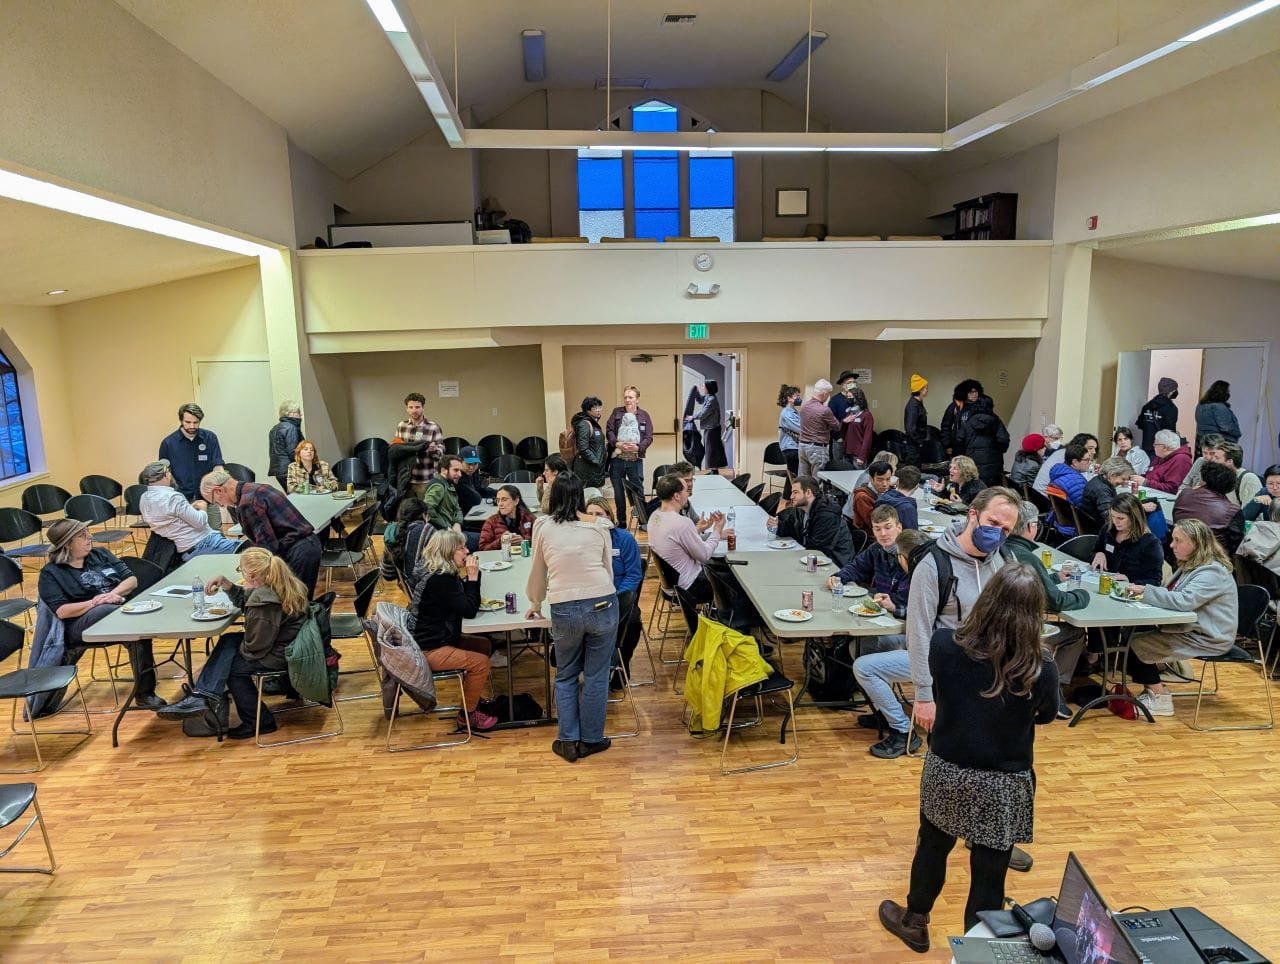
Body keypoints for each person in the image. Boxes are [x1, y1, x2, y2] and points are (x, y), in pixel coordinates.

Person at [877, 564, 1058, 952]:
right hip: (1003, 782)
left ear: (987, 600)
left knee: (932, 846)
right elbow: (1044, 715)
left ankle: (914, 920)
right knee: (990, 874)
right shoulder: (1042, 669)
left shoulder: (944, 645)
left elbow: (941, 690)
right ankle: (977, 953)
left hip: (948, 770)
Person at [853, 486, 1021, 762]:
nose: (998, 533)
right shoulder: (933, 566)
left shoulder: (1005, 562)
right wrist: (922, 696)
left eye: (1006, 529)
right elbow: (917, 633)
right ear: (972, 515)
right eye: (993, 523)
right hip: (948, 685)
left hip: (991, 688)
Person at [156, 548, 314, 739]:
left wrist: (228, 659)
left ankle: (259, 722)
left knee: (232, 669)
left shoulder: (264, 602)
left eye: (241, 571)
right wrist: (226, 583)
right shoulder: (280, 584)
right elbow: (245, 602)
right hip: (290, 644)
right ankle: (201, 696)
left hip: (282, 653)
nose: (241, 574)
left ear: (253, 575)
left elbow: (255, 647)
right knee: (228, 640)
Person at [525, 474, 619, 763]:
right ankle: (591, 739)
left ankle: (568, 740)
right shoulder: (599, 525)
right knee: (596, 675)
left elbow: (538, 571)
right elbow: (607, 569)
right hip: (602, 600)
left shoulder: (543, 526)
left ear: (552, 497)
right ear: (581, 496)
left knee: (565, 674)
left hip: (564, 605)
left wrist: (535, 602)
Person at [37, 519, 165, 712]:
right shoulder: (51, 573)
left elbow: (131, 580)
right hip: (80, 626)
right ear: (68, 544)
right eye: (83, 535)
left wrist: (113, 595)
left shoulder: (101, 554)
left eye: (88, 532)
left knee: (138, 633)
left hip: (117, 612)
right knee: (108, 611)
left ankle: (145, 694)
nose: (90, 537)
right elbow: (62, 611)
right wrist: (96, 602)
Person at [1123, 519, 1238, 718]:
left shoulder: (1213, 571)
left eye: (1178, 541)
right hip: (1192, 629)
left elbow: (1184, 600)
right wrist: (1144, 592)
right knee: (1132, 632)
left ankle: (1160, 699)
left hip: (1209, 637)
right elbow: (1172, 593)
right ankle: (1153, 690)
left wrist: (1146, 592)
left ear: (1196, 544)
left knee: (1134, 644)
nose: (1171, 545)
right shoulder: (1192, 564)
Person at [406, 530, 497, 732]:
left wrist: (471, 579)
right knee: (481, 663)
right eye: (461, 548)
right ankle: (467, 715)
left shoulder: (443, 573)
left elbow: (462, 600)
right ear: (448, 553)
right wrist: (473, 577)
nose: (467, 551)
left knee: (483, 645)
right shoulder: (440, 580)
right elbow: (469, 609)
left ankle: (472, 697)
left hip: (439, 637)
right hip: (428, 648)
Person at [1006, 501, 1089, 718]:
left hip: (1004, 624)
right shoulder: (1027, 556)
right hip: (1021, 632)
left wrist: (1052, 578)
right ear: (1031, 526)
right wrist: (1082, 596)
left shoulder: (1005, 548)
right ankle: (1055, 689)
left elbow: (1029, 584)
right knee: (1076, 632)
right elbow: (1057, 602)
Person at [200, 468, 323, 596]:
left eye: (217, 502)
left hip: (298, 552)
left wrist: (252, 577)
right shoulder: (256, 488)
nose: (222, 506)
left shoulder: (248, 503)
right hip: (308, 545)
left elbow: (267, 546)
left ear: (219, 490)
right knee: (301, 602)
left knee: (296, 605)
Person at [584, 496, 644, 687]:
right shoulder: (581, 542)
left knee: (633, 622)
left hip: (618, 597)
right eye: (590, 515)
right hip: (589, 598)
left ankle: (619, 665)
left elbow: (634, 575)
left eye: (599, 514)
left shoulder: (624, 539)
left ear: (609, 517)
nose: (594, 518)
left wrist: (617, 598)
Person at [647, 474, 726, 604]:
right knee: (735, 581)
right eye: (686, 490)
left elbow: (674, 540)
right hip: (690, 587)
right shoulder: (682, 523)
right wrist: (717, 530)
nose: (688, 494)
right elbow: (704, 555)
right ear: (677, 496)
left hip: (670, 585)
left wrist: (697, 530)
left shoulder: (655, 517)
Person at [138, 459, 240, 558]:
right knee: (248, 550)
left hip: (186, 550)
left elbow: (168, 517)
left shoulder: (144, 498)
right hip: (204, 543)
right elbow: (199, 522)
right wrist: (203, 508)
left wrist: (189, 508)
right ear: (167, 474)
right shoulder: (173, 497)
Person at [829, 506, 913, 620]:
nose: (883, 533)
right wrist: (838, 577)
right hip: (880, 609)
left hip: (903, 616)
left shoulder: (910, 555)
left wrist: (893, 606)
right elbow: (857, 567)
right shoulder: (876, 549)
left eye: (888, 527)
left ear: (899, 527)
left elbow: (910, 603)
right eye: (877, 529)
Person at [766, 477, 854, 566]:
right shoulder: (802, 508)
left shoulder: (827, 514)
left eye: (795, 492)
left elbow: (817, 550)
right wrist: (777, 526)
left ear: (808, 493)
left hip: (834, 563)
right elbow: (792, 530)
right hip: (812, 557)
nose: (791, 496)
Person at [1090, 493, 1164, 586]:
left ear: (1134, 517)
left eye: (1121, 518)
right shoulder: (1108, 529)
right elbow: (1095, 550)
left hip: (1128, 591)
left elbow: (1155, 581)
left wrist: (1130, 581)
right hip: (1103, 583)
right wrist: (1098, 554)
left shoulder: (1151, 544)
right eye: (1112, 516)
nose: (1115, 521)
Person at [1173, 461, 1245, 555]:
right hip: (1214, 559)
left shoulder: (1185, 494)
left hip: (1181, 553)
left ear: (1204, 479)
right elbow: (1236, 545)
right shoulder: (1232, 510)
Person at [159, 402, 224, 502]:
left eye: (196, 422)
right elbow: (164, 474)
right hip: (180, 499)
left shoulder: (210, 438)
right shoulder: (168, 443)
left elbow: (218, 466)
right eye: (188, 422)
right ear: (181, 420)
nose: (192, 426)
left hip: (208, 496)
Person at [605, 386, 653, 523]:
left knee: (638, 491)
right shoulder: (616, 412)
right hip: (617, 460)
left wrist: (638, 447)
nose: (627, 400)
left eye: (630, 397)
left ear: (637, 399)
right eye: (625, 397)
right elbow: (609, 430)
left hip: (635, 460)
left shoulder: (644, 415)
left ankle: (643, 521)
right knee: (619, 494)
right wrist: (616, 443)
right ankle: (621, 522)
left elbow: (649, 437)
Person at [424, 454, 479, 551]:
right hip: (443, 537)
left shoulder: (450, 484)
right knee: (482, 540)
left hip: (453, 531)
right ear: (443, 470)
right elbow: (428, 509)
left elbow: (457, 508)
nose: (460, 474)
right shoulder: (438, 486)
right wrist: (447, 528)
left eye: (460, 470)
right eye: (456, 470)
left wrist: (457, 524)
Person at [395, 392, 445, 499]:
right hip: (406, 479)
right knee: (408, 513)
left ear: (423, 408)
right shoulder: (401, 426)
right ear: (406, 409)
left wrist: (433, 450)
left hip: (426, 478)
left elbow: (441, 454)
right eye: (411, 407)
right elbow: (396, 450)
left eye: (417, 407)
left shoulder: (433, 427)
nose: (414, 410)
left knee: (426, 512)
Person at [380, 497, 436, 583]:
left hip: (409, 588)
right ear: (424, 515)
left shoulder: (393, 532)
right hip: (424, 589)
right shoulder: (425, 530)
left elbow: (388, 574)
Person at [958, 395, 1010, 486]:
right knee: (991, 493)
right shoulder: (996, 422)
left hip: (972, 463)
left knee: (974, 490)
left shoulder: (968, 422)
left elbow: (959, 441)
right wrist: (998, 451)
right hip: (993, 465)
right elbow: (1004, 440)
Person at [798, 380, 842, 479]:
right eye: (828, 394)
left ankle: (804, 495)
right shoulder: (824, 410)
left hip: (802, 446)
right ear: (825, 393)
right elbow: (837, 426)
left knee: (803, 480)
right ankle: (815, 495)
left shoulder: (804, 405)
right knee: (817, 480)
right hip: (817, 448)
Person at [1034, 432, 1098, 496]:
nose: (1094, 452)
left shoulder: (1062, 452)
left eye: (1095, 448)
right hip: (1045, 497)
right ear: (1078, 446)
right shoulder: (1067, 457)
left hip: (1042, 495)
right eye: (1090, 448)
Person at [479, 484, 537, 550]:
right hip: (501, 559)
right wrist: (501, 542)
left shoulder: (529, 518)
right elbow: (483, 548)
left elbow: (541, 542)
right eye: (498, 500)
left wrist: (524, 541)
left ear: (516, 501)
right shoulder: (491, 522)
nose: (500, 504)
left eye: (504, 499)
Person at [571, 395, 609, 488]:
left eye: (600, 407)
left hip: (594, 469)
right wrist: (597, 461)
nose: (599, 410)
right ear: (588, 410)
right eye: (595, 408)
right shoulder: (584, 424)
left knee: (595, 497)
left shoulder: (593, 423)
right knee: (589, 497)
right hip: (587, 469)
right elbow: (583, 448)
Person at [1082, 456, 1132, 524]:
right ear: (1112, 475)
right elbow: (1109, 516)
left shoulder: (1099, 480)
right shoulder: (1102, 490)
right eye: (1123, 479)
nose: (1125, 482)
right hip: (1096, 527)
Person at [1209, 440, 1261, 507]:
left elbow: (1249, 514)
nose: (1213, 460)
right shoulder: (1218, 477)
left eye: (1217, 458)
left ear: (1229, 461)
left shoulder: (1249, 479)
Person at [690, 381, 727, 472]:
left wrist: (692, 417)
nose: (703, 388)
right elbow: (700, 400)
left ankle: (714, 471)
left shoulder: (712, 400)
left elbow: (703, 414)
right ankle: (713, 470)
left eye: (704, 387)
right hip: (710, 428)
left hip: (713, 429)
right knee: (711, 450)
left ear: (709, 388)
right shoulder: (708, 397)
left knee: (712, 450)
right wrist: (696, 391)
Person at [1137, 377, 1180, 456]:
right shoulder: (1171, 408)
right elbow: (1170, 432)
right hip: (1162, 449)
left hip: (1146, 446)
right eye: (1175, 390)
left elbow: (1140, 424)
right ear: (1171, 391)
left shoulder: (1147, 406)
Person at [940, 379, 983, 456]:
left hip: (976, 447)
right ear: (964, 393)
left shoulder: (981, 406)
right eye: (971, 392)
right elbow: (945, 426)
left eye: (976, 392)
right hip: (958, 447)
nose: (974, 394)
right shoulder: (955, 407)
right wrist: (947, 444)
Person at [267, 400, 303, 491]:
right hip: (289, 469)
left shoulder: (274, 428)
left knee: (292, 495)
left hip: (278, 470)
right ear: (292, 413)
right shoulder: (291, 428)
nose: (301, 415)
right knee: (299, 496)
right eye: (298, 412)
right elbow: (293, 451)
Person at [1195, 379, 1241, 449]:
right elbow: (1227, 428)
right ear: (1222, 393)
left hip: (1202, 444)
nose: (1228, 394)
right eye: (1227, 391)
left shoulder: (1201, 405)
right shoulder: (1219, 407)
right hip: (1219, 445)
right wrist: (1237, 433)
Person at [852, 460, 895, 534]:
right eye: (880, 480)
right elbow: (874, 523)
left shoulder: (885, 491)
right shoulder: (862, 497)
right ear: (871, 479)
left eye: (888, 479)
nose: (884, 484)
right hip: (871, 536)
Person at [876, 464, 921, 530]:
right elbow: (912, 535)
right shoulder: (908, 508)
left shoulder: (884, 497)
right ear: (917, 486)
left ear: (897, 482)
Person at [455, 446, 496, 514]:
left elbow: (480, 489)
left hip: (471, 511)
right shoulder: (457, 477)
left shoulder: (472, 473)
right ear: (460, 462)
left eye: (475, 464)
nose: (472, 467)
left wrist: (498, 493)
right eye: (469, 464)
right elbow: (475, 499)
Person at [775, 384, 802, 477]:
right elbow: (800, 428)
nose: (799, 398)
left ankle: (788, 492)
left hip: (795, 447)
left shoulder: (794, 411)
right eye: (797, 396)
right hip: (791, 448)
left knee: (792, 477)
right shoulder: (787, 413)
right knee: (794, 476)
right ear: (789, 398)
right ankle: (791, 491)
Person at [903, 374, 929, 456]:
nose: (927, 390)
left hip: (917, 445)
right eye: (925, 388)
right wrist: (919, 443)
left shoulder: (918, 403)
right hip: (913, 447)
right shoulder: (913, 406)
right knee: (914, 467)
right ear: (920, 390)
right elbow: (910, 429)